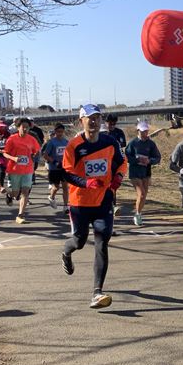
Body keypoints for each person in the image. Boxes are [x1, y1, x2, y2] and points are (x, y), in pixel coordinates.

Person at [60, 104, 127, 309]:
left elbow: (122, 162)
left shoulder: (110, 141)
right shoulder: (74, 146)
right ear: (81, 121)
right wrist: (86, 183)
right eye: (89, 118)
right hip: (80, 203)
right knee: (79, 241)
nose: (94, 121)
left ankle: (97, 292)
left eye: (97, 117)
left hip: (103, 200)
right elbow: (66, 173)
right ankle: (66, 253)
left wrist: (118, 176)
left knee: (102, 242)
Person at [3, 117, 40, 224]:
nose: (25, 129)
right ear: (18, 127)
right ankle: (9, 195)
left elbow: (37, 150)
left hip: (28, 169)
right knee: (15, 194)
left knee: (25, 192)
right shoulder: (12, 139)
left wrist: (35, 155)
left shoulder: (32, 139)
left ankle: (20, 215)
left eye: (27, 127)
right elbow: (5, 153)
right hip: (15, 169)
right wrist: (14, 158)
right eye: (23, 127)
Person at [125, 120, 161, 226]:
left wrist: (149, 161)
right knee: (141, 194)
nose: (144, 133)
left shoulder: (151, 144)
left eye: (146, 131)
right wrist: (137, 160)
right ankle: (137, 215)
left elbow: (157, 157)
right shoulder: (133, 143)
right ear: (138, 131)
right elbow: (126, 157)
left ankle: (138, 213)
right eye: (142, 131)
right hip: (135, 172)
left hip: (146, 172)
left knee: (144, 195)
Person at [41, 123, 69, 212]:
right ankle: (51, 197)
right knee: (56, 187)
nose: (60, 133)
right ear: (55, 132)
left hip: (64, 168)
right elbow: (45, 155)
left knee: (65, 187)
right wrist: (54, 162)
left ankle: (66, 206)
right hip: (54, 168)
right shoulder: (51, 142)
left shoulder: (66, 142)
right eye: (58, 132)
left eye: (61, 132)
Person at [104, 114, 127, 215]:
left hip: (115, 161)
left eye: (114, 123)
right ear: (106, 123)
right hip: (103, 160)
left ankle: (113, 205)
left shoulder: (119, 132)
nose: (112, 125)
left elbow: (123, 144)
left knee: (113, 184)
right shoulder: (102, 133)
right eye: (110, 123)